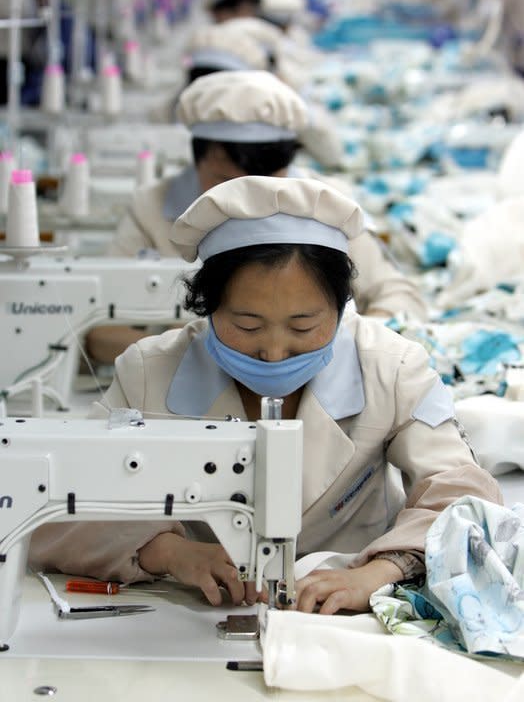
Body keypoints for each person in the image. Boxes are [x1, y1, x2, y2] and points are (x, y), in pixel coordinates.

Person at [30, 175, 502, 614]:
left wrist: (379, 572)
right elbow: (52, 505)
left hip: (344, 618)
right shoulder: (150, 373)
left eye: (304, 326)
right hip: (186, 612)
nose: (274, 353)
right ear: (206, 308)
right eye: (247, 325)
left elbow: (465, 494)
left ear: (341, 309)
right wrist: (168, 551)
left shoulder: (391, 368)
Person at [86, 71, 427, 365]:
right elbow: (95, 327)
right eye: (224, 181)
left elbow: (398, 298)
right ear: (196, 158)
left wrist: (329, 342)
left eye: (268, 180)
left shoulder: (324, 204)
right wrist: (185, 350)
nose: (246, 199)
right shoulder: (152, 207)